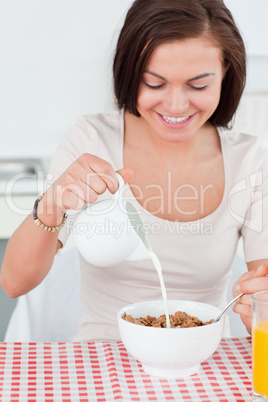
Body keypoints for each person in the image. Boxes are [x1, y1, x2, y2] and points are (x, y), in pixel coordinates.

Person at [1, 0, 268, 341]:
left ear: (226, 72)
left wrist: (259, 308)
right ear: (129, 73)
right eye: (155, 84)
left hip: (202, 364)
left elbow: (262, 309)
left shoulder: (249, 160)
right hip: (100, 362)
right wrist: (53, 202)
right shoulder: (93, 139)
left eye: (198, 86)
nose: (175, 105)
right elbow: (14, 282)